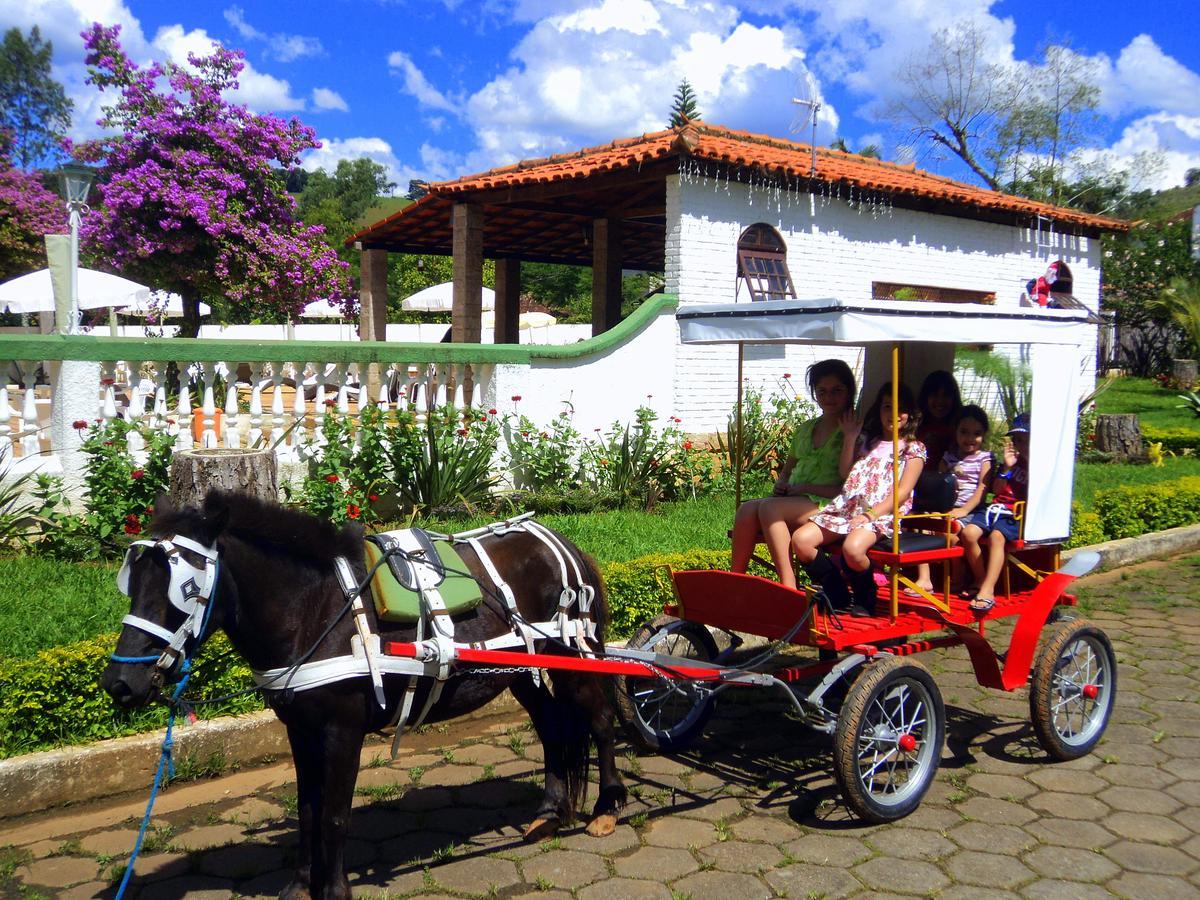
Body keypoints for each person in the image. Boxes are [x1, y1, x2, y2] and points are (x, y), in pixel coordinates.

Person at [791, 382, 927, 616]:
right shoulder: (868, 442)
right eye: (887, 407)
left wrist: (869, 515)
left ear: (910, 415)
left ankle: (866, 596)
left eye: (900, 409)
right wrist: (850, 438)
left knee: (853, 550)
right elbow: (845, 473)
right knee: (801, 540)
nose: (893, 414)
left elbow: (902, 492)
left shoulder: (913, 449)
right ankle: (837, 592)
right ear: (879, 409)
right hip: (848, 508)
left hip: (882, 515)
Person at [730, 359, 857, 589]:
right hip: (798, 500)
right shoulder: (806, 429)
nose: (829, 397)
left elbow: (849, 486)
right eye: (822, 391)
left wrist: (805, 488)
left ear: (849, 391)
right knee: (747, 509)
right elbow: (787, 471)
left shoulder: (854, 430)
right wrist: (782, 483)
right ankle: (734, 581)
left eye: (837, 390)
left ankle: (788, 584)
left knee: (769, 508)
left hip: (835, 503)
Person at [909, 404, 994, 595]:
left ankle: (970, 576)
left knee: (952, 532)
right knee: (921, 525)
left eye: (976, 433)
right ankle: (925, 578)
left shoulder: (985, 459)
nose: (970, 438)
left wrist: (964, 510)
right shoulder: (949, 457)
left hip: (971, 510)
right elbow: (939, 483)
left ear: (984, 435)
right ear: (955, 432)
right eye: (964, 432)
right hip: (947, 507)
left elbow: (983, 487)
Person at [959, 412, 1030, 613]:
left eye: (1026, 440)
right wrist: (1007, 468)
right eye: (1018, 440)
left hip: (1015, 514)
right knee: (968, 533)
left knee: (997, 538)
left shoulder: (1040, 465)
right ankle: (981, 579)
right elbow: (997, 490)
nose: (1021, 445)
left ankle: (988, 590)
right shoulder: (1010, 463)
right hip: (996, 509)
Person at [916, 370, 962, 465]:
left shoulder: (961, 427)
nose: (940, 401)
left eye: (946, 395)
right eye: (934, 395)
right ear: (925, 397)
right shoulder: (915, 426)